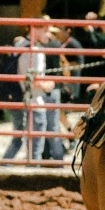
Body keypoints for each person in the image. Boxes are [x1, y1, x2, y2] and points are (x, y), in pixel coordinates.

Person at [2, 25, 54, 162]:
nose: (49, 35)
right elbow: (32, 82)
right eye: (46, 30)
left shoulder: (20, 45)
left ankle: (4, 165)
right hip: (33, 102)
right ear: (34, 30)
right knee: (35, 146)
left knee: (18, 139)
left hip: (17, 98)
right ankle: (32, 172)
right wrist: (48, 85)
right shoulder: (35, 52)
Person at [39, 17, 65, 162]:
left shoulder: (42, 46)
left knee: (45, 126)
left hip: (46, 87)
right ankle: (55, 157)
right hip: (54, 86)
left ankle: (53, 157)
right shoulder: (56, 44)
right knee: (52, 126)